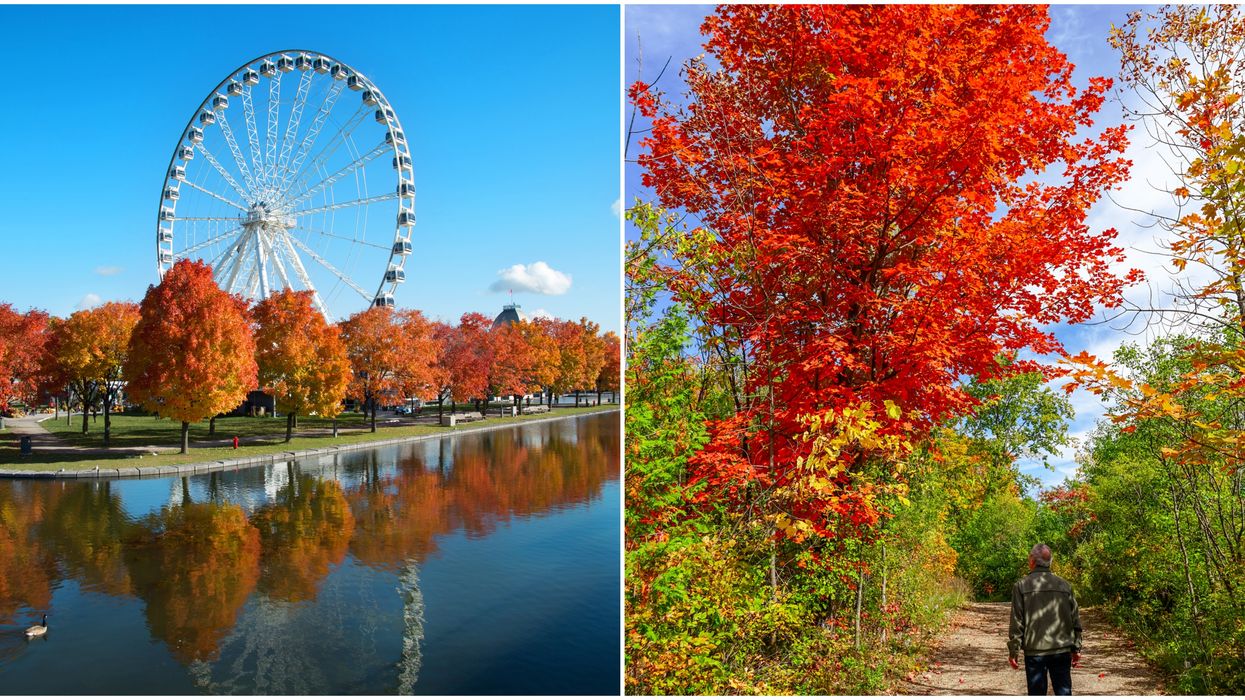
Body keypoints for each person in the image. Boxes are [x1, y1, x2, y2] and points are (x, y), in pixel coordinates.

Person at [1007, 543, 1083, 696]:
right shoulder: (1065, 586)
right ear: (1051, 562)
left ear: (1032, 561)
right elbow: (1075, 619)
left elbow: (1017, 621)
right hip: (1061, 649)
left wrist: (1014, 651)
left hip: (1035, 652)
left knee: (1036, 694)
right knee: (1063, 692)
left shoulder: (1021, 586)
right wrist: (1076, 647)